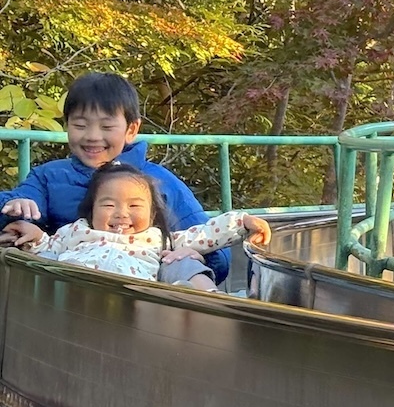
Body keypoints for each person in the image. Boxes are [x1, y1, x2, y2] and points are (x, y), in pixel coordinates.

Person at [0, 72, 232, 286]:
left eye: (107, 126)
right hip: (70, 283)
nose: (92, 136)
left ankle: (210, 307)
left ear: (131, 129)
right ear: (67, 125)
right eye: (80, 125)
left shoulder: (158, 181)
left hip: (141, 285)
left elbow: (206, 236)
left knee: (183, 265)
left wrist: (202, 256)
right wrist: (14, 209)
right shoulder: (49, 177)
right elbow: (15, 213)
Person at [3, 163, 269, 290]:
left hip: (136, 301)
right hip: (77, 292)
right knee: (46, 261)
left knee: (183, 262)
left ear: (152, 214)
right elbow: (49, 245)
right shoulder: (78, 230)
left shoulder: (157, 238)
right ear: (92, 210)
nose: (121, 214)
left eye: (134, 206)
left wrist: (242, 222)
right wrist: (34, 236)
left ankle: (206, 300)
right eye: (109, 205)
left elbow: (205, 234)